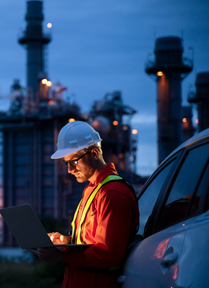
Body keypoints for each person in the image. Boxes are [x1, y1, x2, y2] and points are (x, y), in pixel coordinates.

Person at [30, 121, 139, 288]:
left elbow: (108, 255)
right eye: (65, 163)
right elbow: (89, 242)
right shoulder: (91, 190)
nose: (69, 169)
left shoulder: (113, 194)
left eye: (73, 162)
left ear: (94, 153)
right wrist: (65, 242)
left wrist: (61, 256)